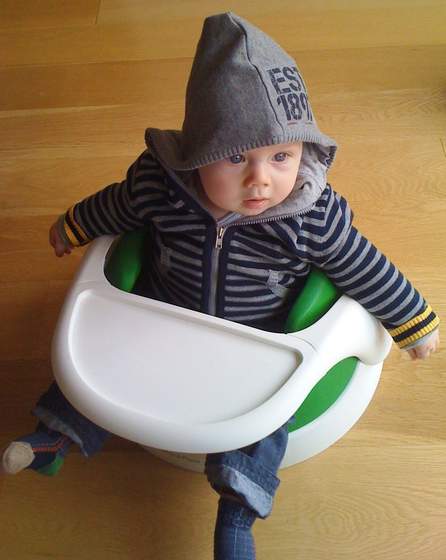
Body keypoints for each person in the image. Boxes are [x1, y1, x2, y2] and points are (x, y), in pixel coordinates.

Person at [1, 12, 440, 560]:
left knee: (265, 421)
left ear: (302, 151)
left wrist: (412, 319)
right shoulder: (160, 187)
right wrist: (73, 226)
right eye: (235, 157)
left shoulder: (309, 216)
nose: (261, 179)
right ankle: (55, 436)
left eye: (281, 157)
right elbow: (115, 206)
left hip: (260, 338)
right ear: (198, 153)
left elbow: (364, 265)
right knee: (102, 359)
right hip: (165, 314)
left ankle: (236, 520)